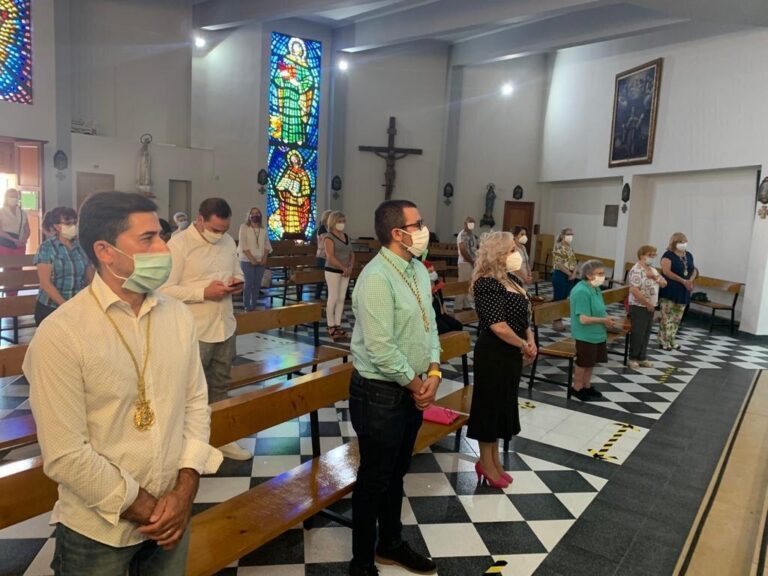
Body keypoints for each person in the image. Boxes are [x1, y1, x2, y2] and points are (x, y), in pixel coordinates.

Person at [24, 191, 222, 575]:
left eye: (161, 235)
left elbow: (196, 404)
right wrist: (149, 509)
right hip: (98, 529)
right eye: (148, 238)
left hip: (171, 515)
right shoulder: (62, 334)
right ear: (105, 251)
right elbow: (66, 453)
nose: (163, 247)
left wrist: (184, 491)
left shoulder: (178, 317)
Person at [349, 199, 440, 576]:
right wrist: (418, 385)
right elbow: (381, 349)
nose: (424, 230)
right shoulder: (375, 277)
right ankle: (361, 563)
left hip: (411, 389)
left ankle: (390, 542)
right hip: (379, 394)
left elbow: (429, 322)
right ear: (397, 233)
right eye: (418, 224)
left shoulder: (416, 268)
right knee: (374, 479)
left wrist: (433, 371)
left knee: (397, 472)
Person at [160, 198, 249, 461]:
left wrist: (238, 283)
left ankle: (221, 438)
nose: (220, 235)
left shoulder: (228, 241)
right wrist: (202, 292)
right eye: (215, 229)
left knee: (221, 384)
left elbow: (238, 272)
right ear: (200, 220)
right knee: (189, 391)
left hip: (225, 324)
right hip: (194, 330)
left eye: (224, 229)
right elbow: (163, 289)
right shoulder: (178, 244)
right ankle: (186, 448)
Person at [468, 232, 536, 487]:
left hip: (511, 352)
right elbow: (498, 326)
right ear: (497, 253)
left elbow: (524, 316)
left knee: (501, 407)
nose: (516, 254)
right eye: (511, 250)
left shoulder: (511, 279)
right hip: (494, 353)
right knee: (489, 407)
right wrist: (523, 345)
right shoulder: (486, 283)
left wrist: (530, 338)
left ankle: (494, 460)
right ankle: (485, 463)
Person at [33, 207, 94, 325]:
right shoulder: (47, 247)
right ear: (57, 226)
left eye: (75, 223)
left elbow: (90, 279)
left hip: (77, 306)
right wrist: (66, 306)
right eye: (68, 223)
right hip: (51, 308)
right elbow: (45, 283)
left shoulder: (81, 247)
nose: (73, 226)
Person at [569, 260, 617, 402]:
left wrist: (607, 318)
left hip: (597, 332)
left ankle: (587, 385)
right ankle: (577, 388)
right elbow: (583, 319)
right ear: (589, 275)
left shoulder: (595, 288)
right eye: (599, 273)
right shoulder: (581, 291)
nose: (603, 276)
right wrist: (604, 321)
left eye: (603, 273)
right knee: (583, 362)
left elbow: (600, 309)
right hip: (585, 334)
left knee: (591, 361)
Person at [627, 245, 667, 368]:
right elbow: (634, 290)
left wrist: (654, 277)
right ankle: (633, 358)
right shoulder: (636, 270)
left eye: (654, 255)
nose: (652, 257)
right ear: (641, 255)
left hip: (651, 306)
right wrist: (647, 303)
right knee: (638, 333)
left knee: (646, 332)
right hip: (639, 306)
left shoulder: (652, 269)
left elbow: (664, 283)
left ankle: (642, 357)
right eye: (650, 255)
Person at [658, 232, 696, 351]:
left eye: (684, 241)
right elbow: (666, 272)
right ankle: (664, 340)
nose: (683, 243)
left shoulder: (688, 255)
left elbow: (694, 269)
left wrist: (689, 281)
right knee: (667, 317)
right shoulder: (668, 255)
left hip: (683, 291)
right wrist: (682, 281)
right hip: (669, 289)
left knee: (677, 318)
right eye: (680, 241)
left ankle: (672, 339)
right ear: (674, 243)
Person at [324, 211, 354, 340]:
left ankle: (338, 324)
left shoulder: (345, 236)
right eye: (339, 221)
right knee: (333, 297)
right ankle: (331, 326)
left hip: (345, 271)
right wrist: (343, 267)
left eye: (343, 221)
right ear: (333, 222)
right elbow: (330, 256)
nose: (342, 224)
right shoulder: (329, 237)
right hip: (333, 270)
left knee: (341, 298)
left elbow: (351, 253)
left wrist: (350, 267)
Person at [238, 207, 272, 312]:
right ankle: (247, 306)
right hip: (247, 260)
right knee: (249, 283)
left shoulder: (263, 229)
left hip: (261, 260)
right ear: (249, 216)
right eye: (252, 213)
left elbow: (267, 245)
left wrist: (264, 258)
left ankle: (253, 305)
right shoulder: (244, 227)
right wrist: (251, 259)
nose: (255, 215)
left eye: (257, 213)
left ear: (260, 215)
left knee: (257, 284)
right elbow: (243, 244)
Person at [424, 260, 462, 334]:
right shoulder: (422, 287)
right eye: (430, 272)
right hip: (431, 317)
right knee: (445, 329)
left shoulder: (436, 284)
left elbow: (441, 301)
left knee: (457, 325)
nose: (433, 273)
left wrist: (445, 311)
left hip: (440, 314)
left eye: (433, 271)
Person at [551, 228, 578, 331]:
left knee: (564, 298)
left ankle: (560, 319)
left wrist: (574, 273)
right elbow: (559, 263)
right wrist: (569, 273)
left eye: (571, 234)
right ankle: (556, 321)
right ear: (562, 235)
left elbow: (574, 262)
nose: (570, 236)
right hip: (560, 275)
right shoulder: (558, 246)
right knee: (558, 298)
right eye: (568, 234)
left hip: (570, 276)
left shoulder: (570, 248)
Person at [455, 216, 478, 311]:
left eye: (473, 224)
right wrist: (471, 261)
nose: (471, 225)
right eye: (469, 223)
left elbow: (473, 248)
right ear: (465, 224)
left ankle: (466, 304)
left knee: (468, 284)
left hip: (471, 262)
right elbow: (463, 250)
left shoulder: (471, 234)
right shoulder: (462, 234)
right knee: (462, 284)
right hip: (465, 262)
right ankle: (458, 306)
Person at [0, 188, 29, 256]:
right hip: (5, 245)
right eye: (11, 196)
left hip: (20, 245)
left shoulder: (22, 213)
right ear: (6, 198)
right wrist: (13, 240)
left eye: (15, 196)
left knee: (19, 262)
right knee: (7, 262)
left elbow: (27, 229)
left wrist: (24, 240)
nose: (14, 198)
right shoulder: (1, 212)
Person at [315, 209, 332, 298]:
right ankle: (317, 296)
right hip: (322, 256)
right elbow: (327, 240)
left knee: (330, 278)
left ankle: (329, 296)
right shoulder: (322, 229)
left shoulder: (330, 229)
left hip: (329, 256)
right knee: (321, 278)